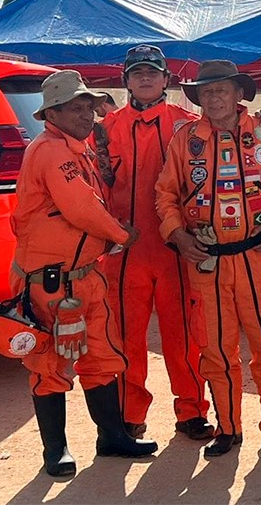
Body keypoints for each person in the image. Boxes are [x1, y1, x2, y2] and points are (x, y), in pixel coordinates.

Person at [11, 70, 156, 478]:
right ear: (51, 113)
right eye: (76, 108)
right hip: (49, 281)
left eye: (89, 107)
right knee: (48, 363)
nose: (87, 114)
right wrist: (120, 234)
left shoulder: (79, 149)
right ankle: (54, 451)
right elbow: (81, 207)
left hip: (85, 276)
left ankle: (111, 438)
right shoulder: (50, 151)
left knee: (101, 357)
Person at [155, 60, 261, 459]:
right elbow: (164, 194)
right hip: (206, 262)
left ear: (238, 94)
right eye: (206, 91)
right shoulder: (185, 140)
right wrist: (177, 235)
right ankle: (228, 428)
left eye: (221, 89)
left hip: (257, 257)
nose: (213, 97)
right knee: (216, 350)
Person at [97, 45, 211, 443]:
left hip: (176, 250)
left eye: (153, 72)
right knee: (126, 338)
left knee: (185, 336)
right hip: (124, 253)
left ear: (167, 79)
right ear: (125, 80)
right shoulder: (105, 128)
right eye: (137, 72)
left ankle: (192, 411)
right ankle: (130, 414)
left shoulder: (189, 125)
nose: (145, 78)